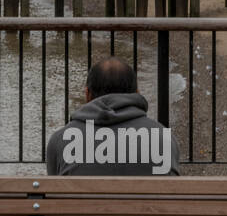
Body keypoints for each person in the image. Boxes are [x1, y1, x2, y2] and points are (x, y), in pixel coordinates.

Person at [46, 57, 180, 177]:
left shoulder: (60, 139)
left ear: (87, 94)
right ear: (137, 93)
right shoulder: (164, 138)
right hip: (149, 206)